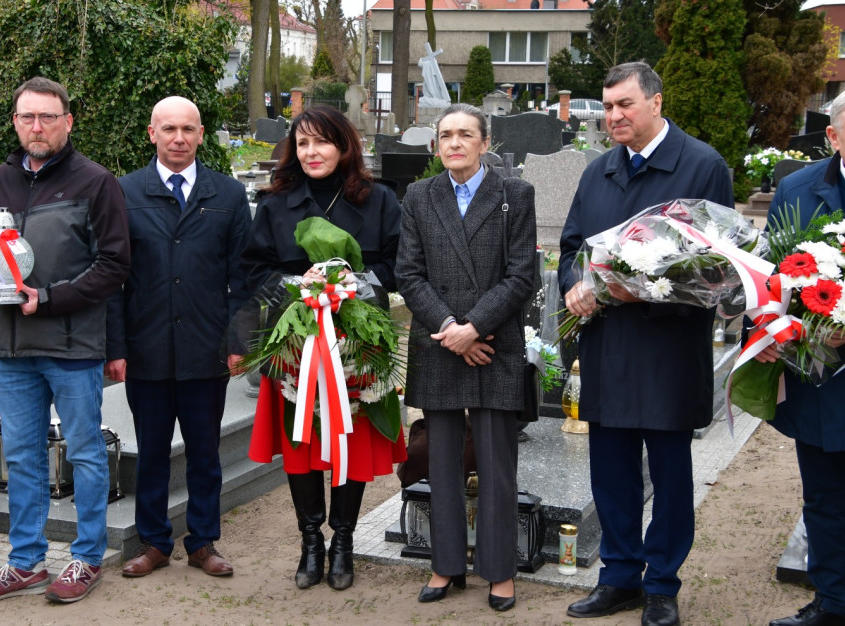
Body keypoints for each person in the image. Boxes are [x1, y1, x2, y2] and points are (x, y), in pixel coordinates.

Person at [558, 62, 734, 626]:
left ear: (656, 102)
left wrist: (644, 289)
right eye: (607, 107)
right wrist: (575, 285)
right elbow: (569, 249)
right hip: (608, 346)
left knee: (669, 472)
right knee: (609, 471)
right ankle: (618, 577)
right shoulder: (597, 173)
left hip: (667, 349)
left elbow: (720, 267)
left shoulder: (703, 167)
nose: (613, 117)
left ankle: (661, 583)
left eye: (624, 105)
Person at [0, 77, 130, 604]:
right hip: (13, 346)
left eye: (47, 117)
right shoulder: (0, 180)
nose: (37, 126)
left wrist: (51, 299)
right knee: (22, 455)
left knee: (83, 453)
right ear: (15, 122)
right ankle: (25, 562)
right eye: (27, 117)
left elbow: (115, 264)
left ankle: (86, 558)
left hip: (72, 345)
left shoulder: (96, 182)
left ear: (67, 122)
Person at [242, 105, 405, 591]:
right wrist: (295, 286)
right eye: (303, 143)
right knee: (301, 443)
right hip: (297, 344)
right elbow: (254, 269)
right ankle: (311, 541)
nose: (311, 152)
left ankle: (344, 543)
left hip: (358, 342)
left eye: (322, 142)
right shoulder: (275, 203)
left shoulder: (379, 200)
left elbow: (399, 265)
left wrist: (353, 284)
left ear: (343, 145)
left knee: (350, 443)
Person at [396, 103, 536, 612]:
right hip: (440, 343)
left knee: (497, 464)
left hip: (494, 345)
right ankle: (446, 565)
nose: (454, 143)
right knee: (443, 460)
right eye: (445, 135)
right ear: (437, 144)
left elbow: (522, 274)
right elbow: (408, 274)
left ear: (484, 142)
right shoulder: (418, 195)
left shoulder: (514, 194)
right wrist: (451, 330)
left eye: (464, 135)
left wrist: (475, 326)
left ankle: (500, 572)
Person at [105, 96, 250, 580]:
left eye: (188, 129)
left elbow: (242, 279)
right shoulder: (124, 193)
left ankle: (203, 541)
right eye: (168, 129)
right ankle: (154, 543)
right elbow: (112, 279)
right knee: (151, 453)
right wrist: (116, 348)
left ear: (202, 134)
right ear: (152, 134)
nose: (179, 138)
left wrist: (237, 341)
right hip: (146, 351)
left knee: (205, 453)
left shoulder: (227, 195)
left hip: (206, 350)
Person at [761, 91, 845, 626]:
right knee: (824, 496)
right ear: (834, 137)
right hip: (820, 375)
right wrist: (781, 324)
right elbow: (769, 278)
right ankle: (833, 602)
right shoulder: (797, 189)